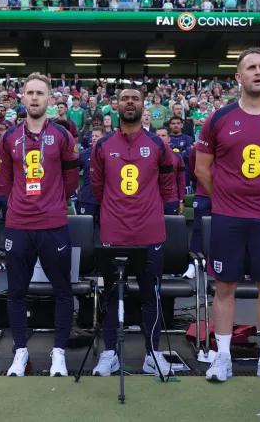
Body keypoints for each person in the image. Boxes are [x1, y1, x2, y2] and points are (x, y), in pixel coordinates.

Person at [195, 47, 260, 384]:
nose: (257, 72)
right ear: (238, 77)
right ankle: (221, 356)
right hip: (228, 217)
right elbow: (202, 169)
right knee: (224, 286)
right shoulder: (219, 118)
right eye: (250, 67)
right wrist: (226, 199)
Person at [89, 88, 177, 377]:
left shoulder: (157, 144)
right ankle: (110, 352)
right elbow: (98, 188)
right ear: (116, 106)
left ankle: (152, 354)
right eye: (124, 98)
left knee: (152, 294)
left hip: (149, 232)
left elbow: (167, 185)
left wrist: (149, 210)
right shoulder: (102, 145)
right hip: (115, 231)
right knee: (113, 293)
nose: (129, 102)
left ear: (143, 105)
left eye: (135, 98)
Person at [0, 72, 80, 377]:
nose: (34, 98)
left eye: (40, 93)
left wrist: (52, 202)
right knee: (16, 291)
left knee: (62, 290)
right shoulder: (8, 137)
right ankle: (20, 352)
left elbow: (71, 180)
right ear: (22, 97)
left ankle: (58, 353)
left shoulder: (62, 135)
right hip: (18, 224)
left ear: (49, 99)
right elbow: (5, 180)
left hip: (53, 223)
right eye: (29, 93)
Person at [77, 126, 103, 224]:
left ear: (104, 137)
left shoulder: (110, 154)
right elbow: (73, 171)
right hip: (87, 198)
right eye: (93, 136)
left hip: (105, 200)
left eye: (97, 136)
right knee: (85, 231)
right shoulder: (84, 154)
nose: (94, 138)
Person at [156, 128, 185, 216]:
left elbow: (181, 181)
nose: (160, 138)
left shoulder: (177, 157)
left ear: (169, 139)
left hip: (171, 200)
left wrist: (181, 201)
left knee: (171, 228)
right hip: (153, 200)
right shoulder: (148, 157)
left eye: (163, 135)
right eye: (158, 136)